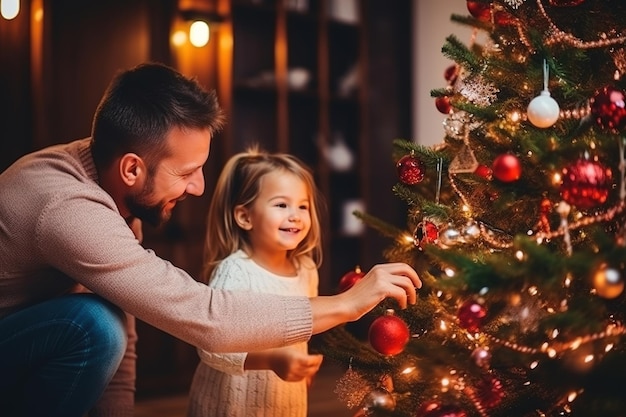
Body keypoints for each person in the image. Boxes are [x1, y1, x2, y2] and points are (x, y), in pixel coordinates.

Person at [0, 62, 422, 417]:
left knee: (104, 322)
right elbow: (207, 317)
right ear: (132, 169)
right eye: (185, 173)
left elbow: (125, 328)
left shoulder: (116, 192)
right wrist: (347, 303)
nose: (200, 187)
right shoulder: (70, 209)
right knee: (91, 324)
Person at [187, 148, 325, 417]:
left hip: (284, 399)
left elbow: (306, 327)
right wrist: (272, 360)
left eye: (303, 206)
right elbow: (210, 347)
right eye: (282, 205)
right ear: (245, 217)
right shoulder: (236, 272)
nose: (295, 215)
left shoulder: (306, 269)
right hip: (231, 405)